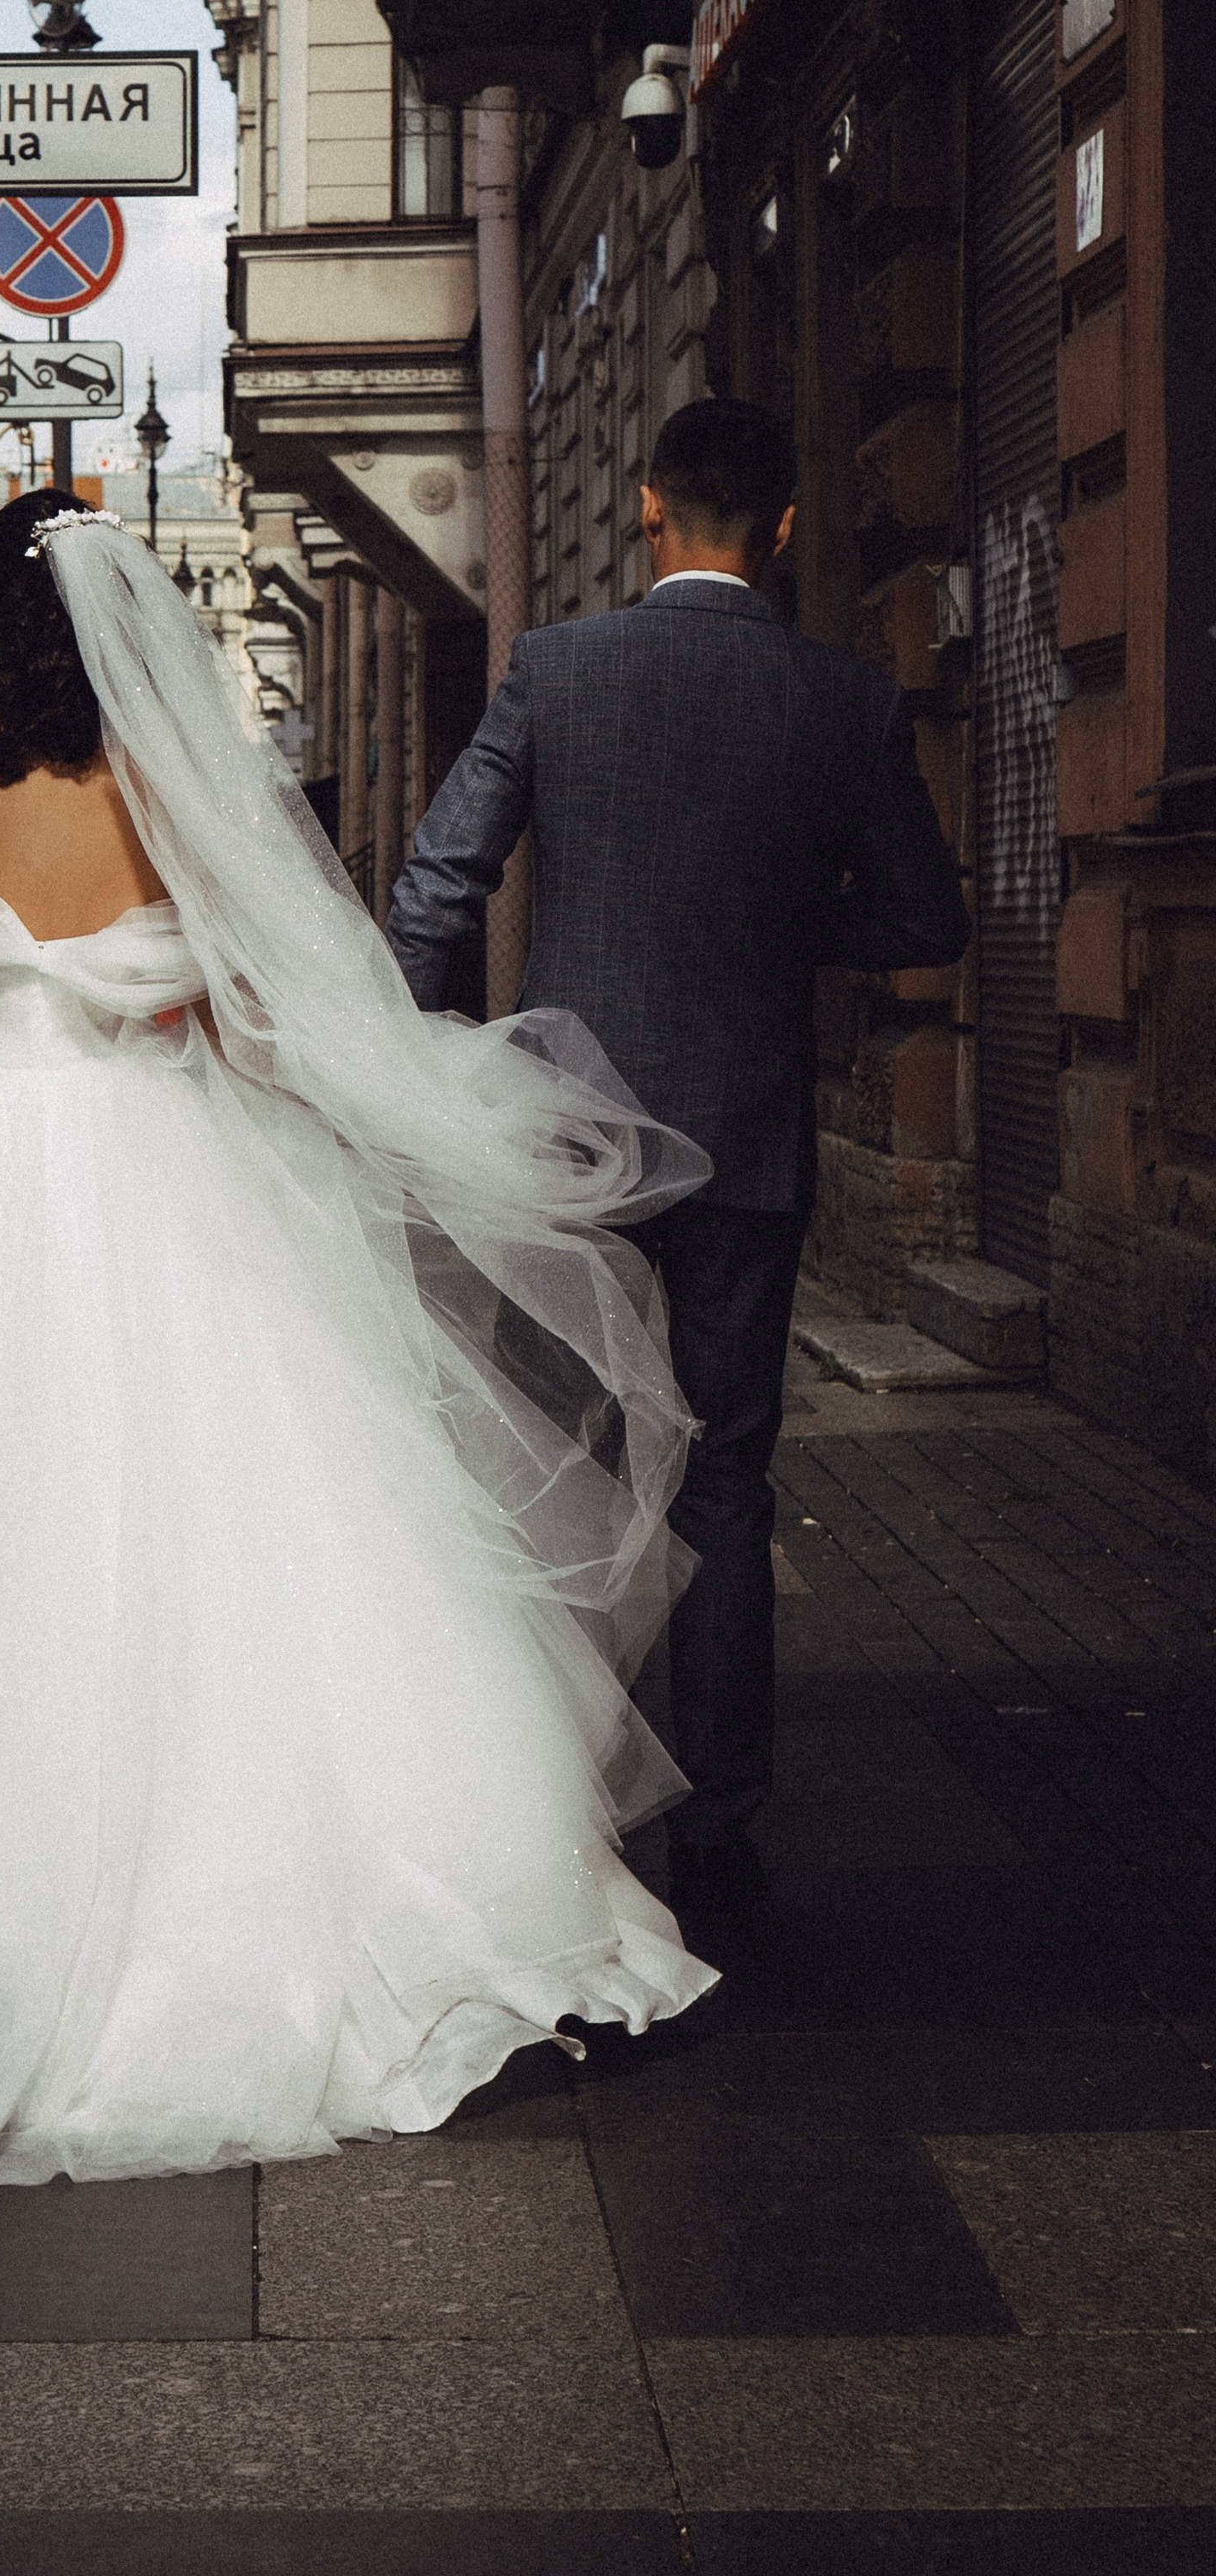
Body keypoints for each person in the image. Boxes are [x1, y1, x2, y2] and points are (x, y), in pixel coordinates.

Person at [0, 485, 720, 2197]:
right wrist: (168, 991)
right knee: (230, 1503)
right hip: (152, 1153)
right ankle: (318, 1875)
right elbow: (256, 990)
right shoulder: (175, 782)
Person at [385, 401, 970, 1911]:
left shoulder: (557, 672)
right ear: (779, 528)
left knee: (556, 1459)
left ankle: (547, 1791)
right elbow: (924, 922)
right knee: (726, 1481)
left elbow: (437, 888)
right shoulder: (844, 699)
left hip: (569, 1138)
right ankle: (713, 1822)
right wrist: (781, 927)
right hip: (744, 1142)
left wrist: (434, 1060)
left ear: (648, 509)